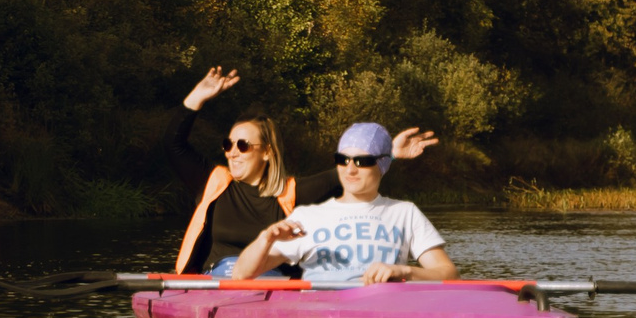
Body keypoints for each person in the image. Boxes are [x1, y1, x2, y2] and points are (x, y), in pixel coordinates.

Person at [162, 66, 438, 275]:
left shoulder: (291, 193)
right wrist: (196, 98)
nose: (232, 151)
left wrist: (390, 152)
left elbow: (347, 172)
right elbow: (172, 144)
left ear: (267, 152)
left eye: (243, 145)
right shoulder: (213, 182)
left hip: (273, 281)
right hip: (220, 276)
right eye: (228, 144)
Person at [231, 121, 460, 286]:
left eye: (362, 161)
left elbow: (448, 273)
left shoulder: (404, 212)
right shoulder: (307, 216)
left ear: (381, 165)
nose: (350, 169)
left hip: (382, 310)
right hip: (319, 314)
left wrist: (404, 271)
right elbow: (241, 274)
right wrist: (265, 239)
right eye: (343, 160)